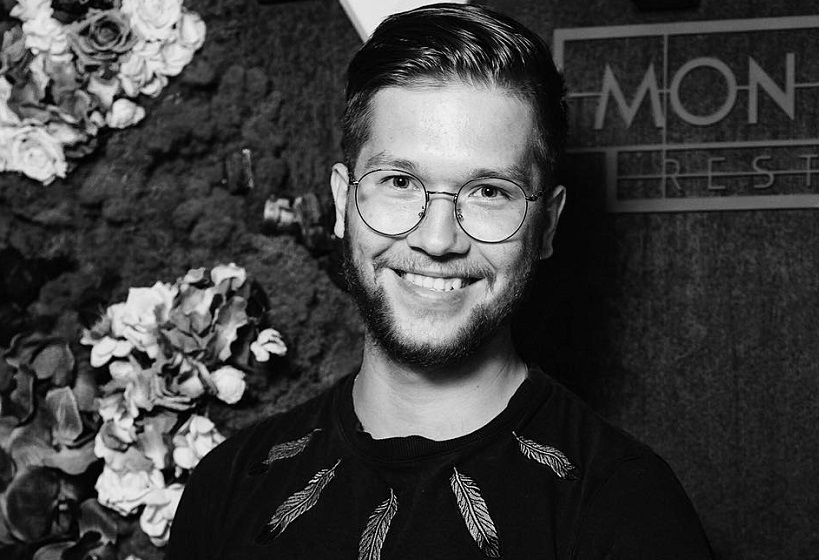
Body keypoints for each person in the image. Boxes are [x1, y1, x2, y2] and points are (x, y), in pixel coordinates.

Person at [167, 4, 714, 558]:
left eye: (489, 192)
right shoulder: (229, 484)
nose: (436, 239)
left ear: (547, 225)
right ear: (341, 202)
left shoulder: (624, 504)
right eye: (399, 182)